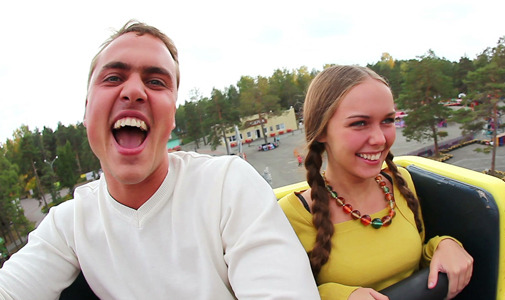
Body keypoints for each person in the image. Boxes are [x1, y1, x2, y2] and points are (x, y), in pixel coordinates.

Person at [0, 20, 319, 300]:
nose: (134, 91)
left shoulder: (227, 186)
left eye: (156, 81)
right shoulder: (69, 224)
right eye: (113, 77)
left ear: (172, 120)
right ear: (86, 111)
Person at [278, 65, 473, 300]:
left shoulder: (401, 183)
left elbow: (417, 261)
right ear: (321, 131)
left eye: (388, 120)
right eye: (360, 123)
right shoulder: (292, 215)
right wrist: (340, 296)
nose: (380, 139)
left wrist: (444, 245)